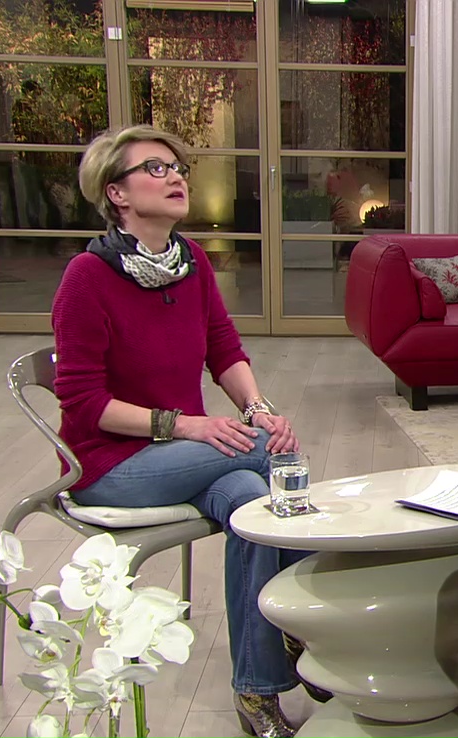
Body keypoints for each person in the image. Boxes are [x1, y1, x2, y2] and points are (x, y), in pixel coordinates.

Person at [54, 124, 316, 738]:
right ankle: (311, 630)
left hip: (189, 455)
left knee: (252, 500)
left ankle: (256, 687)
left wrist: (258, 409)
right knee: (270, 457)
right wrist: (189, 425)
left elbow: (223, 349)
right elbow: (83, 402)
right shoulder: (86, 277)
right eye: (155, 168)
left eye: (176, 167)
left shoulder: (191, 261)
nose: (175, 176)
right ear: (117, 193)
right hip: (111, 464)